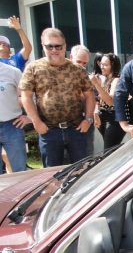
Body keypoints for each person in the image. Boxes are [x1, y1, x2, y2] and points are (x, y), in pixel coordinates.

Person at [20, 28, 95, 167]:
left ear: (65, 46)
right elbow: (26, 96)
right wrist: (36, 122)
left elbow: (89, 95)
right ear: (43, 46)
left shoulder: (77, 69)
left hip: (76, 129)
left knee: (83, 170)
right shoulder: (33, 68)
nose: (54, 50)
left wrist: (88, 119)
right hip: (49, 131)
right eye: (50, 46)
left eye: (58, 46)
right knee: (52, 173)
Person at [0, 62, 31, 173]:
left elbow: (29, 95)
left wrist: (29, 117)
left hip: (12, 126)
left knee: (19, 169)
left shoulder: (13, 72)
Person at [90, 53, 125, 150]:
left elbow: (110, 101)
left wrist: (96, 84)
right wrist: (95, 112)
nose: (102, 67)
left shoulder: (116, 80)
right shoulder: (105, 80)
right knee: (110, 150)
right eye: (101, 64)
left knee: (108, 151)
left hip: (114, 120)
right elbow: (98, 99)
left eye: (105, 65)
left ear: (113, 65)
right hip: (104, 119)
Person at [69, 44, 96, 156]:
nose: (81, 66)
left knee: (87, 158)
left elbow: (93, 99)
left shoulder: (88, 78)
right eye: (78, 62)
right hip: (65, 125)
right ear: (71, 57)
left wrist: (89, 120)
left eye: (84, 63)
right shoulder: (60, 76)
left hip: (85, 122)